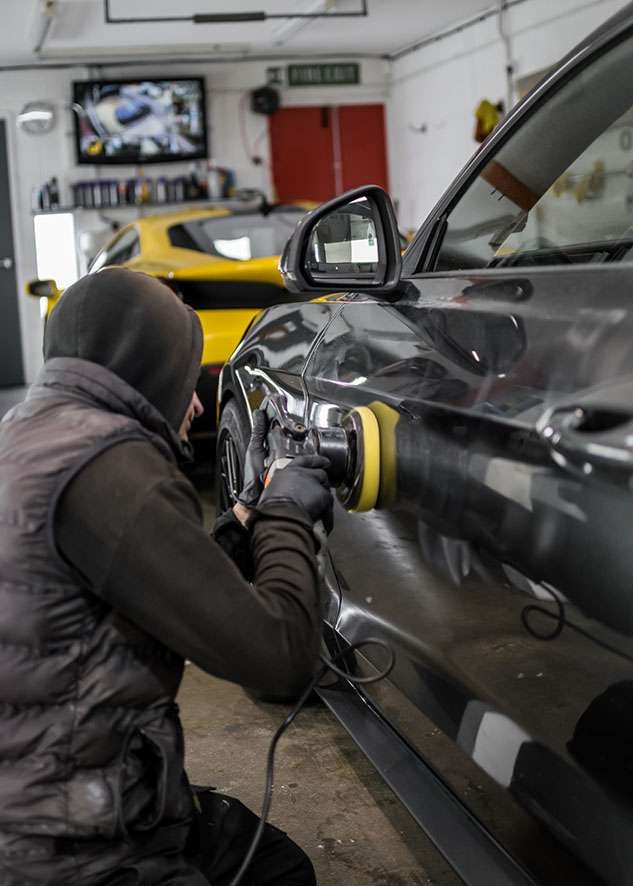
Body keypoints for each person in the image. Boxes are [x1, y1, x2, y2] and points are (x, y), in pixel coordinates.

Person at [0, 267, 333, 886]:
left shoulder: (26, 434)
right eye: (189, 380)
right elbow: (282, 656)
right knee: (279, 875)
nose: (198, 405)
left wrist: (243, 518)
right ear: (151, 372)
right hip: (72, 850)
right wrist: (287, 514)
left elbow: (143, 578)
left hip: (28, 797)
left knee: (258, 850)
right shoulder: (112, 465)